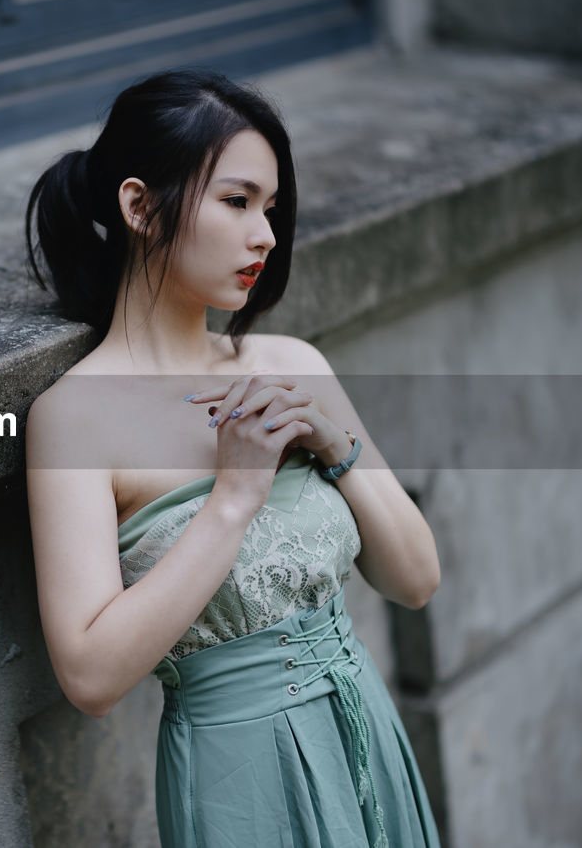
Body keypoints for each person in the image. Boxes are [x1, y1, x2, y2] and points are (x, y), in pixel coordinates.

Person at [22, 70, 442, 847]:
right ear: (139, 206)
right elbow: (89, 675)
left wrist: (338, 445)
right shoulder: (73, 420)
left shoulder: (289, 363)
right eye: (238, 202)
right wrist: (233, 497)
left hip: (367, 736)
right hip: (237, 778)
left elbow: (415, 579)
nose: (266, 236)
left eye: (272, 210)